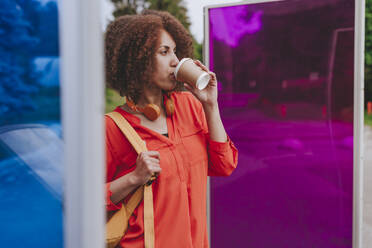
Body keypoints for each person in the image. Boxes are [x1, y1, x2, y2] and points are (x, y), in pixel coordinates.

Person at [104, 10, 238, 248]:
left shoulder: (190, 107)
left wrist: (211, 105)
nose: (176, 61)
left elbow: (225, 165)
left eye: (175, 50)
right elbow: (83, 201)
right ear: (139, 60)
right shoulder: (111, 128)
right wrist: (134, 178)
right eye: (164, 52)